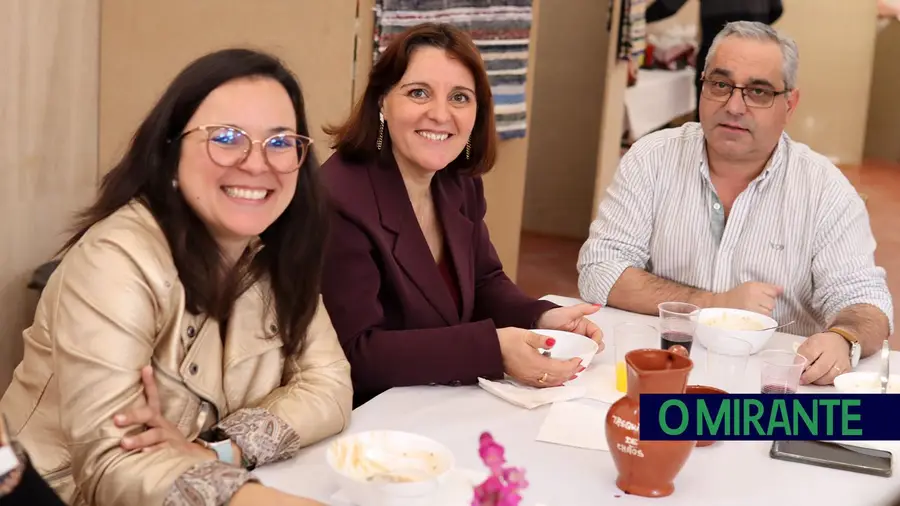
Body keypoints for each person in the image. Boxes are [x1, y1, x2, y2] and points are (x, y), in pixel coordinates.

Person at [0, 48, 352, 506]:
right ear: (169, 153)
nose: (257, 162)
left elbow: (329, 384)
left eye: (281, 142)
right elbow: (112, 467)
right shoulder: (116, 258)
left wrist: (218, 449)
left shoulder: (275, 252)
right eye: (226, 136)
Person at [577, 21, 893, 387]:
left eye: (758, 91)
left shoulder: (824, 189)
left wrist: (844, 338)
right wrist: (715, 302)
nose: (734, 106)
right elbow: (600, 271)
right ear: (703, 86)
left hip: (770, 392)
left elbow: (866, 302)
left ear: (789, 104)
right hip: (661, 374)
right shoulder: (651, 158)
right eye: (721, 85)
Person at [319, 22, 604, 407]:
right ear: (382, 100)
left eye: (459, 97)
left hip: (440, 398)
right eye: (419, 93)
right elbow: (355, 353)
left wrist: (540, 318)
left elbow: (484, 281)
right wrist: (493, 349)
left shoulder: (457, 181)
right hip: (370, 419)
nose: (441, 114)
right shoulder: (339, 198)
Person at [645, 0, 784, 121]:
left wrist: (636, 17)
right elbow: (776, 9)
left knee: (711, 120)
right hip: (756, 54)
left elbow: (668, 6)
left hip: (718, 53)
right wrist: (751, 27)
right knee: (753, 116)